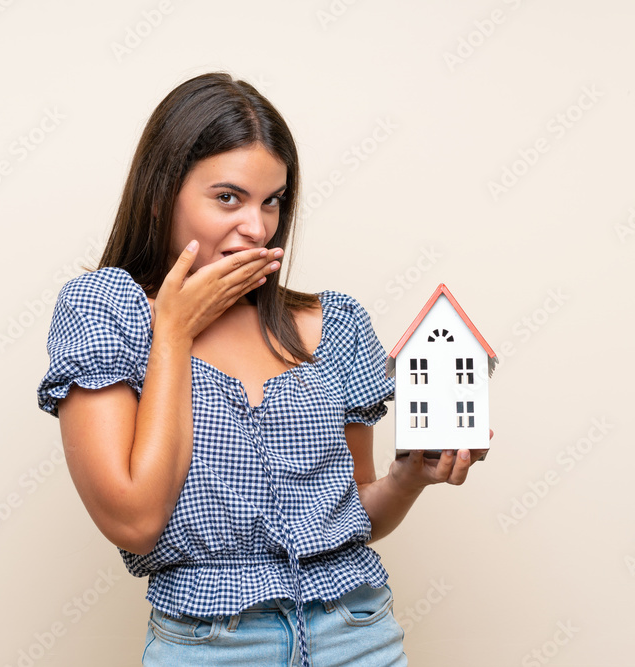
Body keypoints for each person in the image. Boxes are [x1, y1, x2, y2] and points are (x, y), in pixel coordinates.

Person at [36, 71, 488, 667]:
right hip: (211, 647)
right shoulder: (107, 312)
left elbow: (353, 514)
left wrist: (409, 479)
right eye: (228, 197)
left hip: (360, 634)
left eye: (271, 200)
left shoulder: (333, 325)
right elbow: (134, 519)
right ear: (159, 193)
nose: (257, 228)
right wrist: (173, 330)